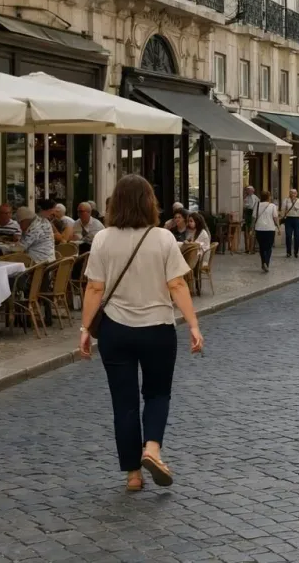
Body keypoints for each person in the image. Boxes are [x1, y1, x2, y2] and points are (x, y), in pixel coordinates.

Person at [79, 174, 204, 492]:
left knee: (124, 404)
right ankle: (152, 448)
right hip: (157, 330)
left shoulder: (103, 239)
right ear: (150, 202)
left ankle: (133, 475)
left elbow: (95, 287)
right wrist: (193, 325)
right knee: (157, 394)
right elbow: (177, 284)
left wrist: (84, 329)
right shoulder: (162, 238)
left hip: (115, 332)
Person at [253, 190, 280, 272]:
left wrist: (251, 229)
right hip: (270, 228)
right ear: (269, 197)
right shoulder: (272, 206)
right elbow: (275, 217)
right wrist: (278, 227)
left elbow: (254, 217)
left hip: (259, 228)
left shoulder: (257, 205)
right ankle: (266, 263)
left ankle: (263, 262)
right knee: (269, 247)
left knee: (261, 247)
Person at [282, 189, 299, 258]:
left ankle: (296, 252)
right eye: (291, 193)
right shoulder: (286, 200)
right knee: (288, 235)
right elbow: (283, 209)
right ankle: (288, 252)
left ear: (296, 194)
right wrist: (285, 212)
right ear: (289, 193)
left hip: (297, 219)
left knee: (297, 236)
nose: (293, 194)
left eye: (294, 193)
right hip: (288, 219)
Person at [242, 186, 260, 253]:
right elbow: (244, 205)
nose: (247, 191)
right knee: (247, 232)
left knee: (251, 231)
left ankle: (251, 248)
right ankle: (247, 248)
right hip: (247, 215)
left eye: (248, 190)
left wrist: (246, 205)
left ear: (252, 191)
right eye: (247, 190)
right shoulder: (247, 197)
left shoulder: (254, 197)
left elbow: (251, 206)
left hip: (252, 215)